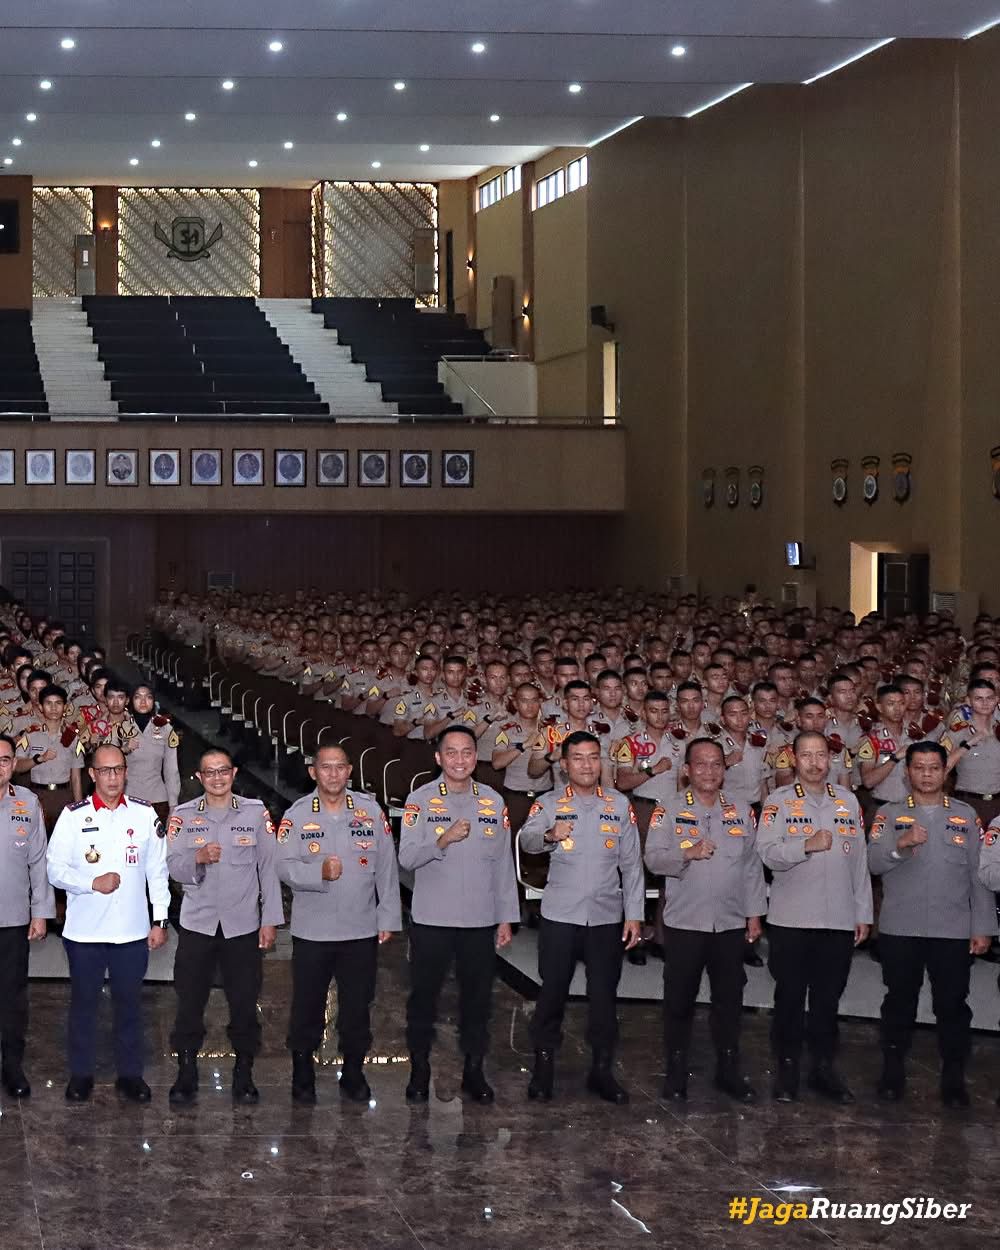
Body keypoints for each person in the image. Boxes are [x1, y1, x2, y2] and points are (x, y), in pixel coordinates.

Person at [518, 731, 644, 1104]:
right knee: (552, 993)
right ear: (564, 764)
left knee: (604, 997)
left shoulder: (619, 804)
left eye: (593, 757)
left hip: (606, 917)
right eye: (578, 758)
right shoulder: (548, 803)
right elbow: (526, 840)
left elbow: (632, 865)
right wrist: (549, 835)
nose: (587, 765)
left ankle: (602, 1070)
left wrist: (634, 915)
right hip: (561, 915)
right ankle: (543, 1067)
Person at [870, 742, 996, 1107]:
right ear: (907, 772)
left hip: (952, 930)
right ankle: (891, 1075)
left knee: (953, 1007)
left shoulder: (966, 814)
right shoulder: (889, 814)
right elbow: (874, 863)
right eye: (919, 768)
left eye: (934, 768)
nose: (926, 774)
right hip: (901, 929)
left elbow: (979, 875)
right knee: (898, 1004)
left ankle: (954, 1080)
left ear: (945, 772)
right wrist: (900, 844)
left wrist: (983, 926)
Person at [276, 743, 401, 1105]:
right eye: (325, 767)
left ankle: (354, 1071)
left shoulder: (370, 811)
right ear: (313, 772)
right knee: (307, 1005)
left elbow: (386, 868)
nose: (333, 774)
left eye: (340, 767)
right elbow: (282, 866)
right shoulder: (297, 814)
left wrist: (388, 916)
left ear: (350, 771)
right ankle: (302, 1069)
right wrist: (318, 872)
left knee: (358, 1005)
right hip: (313, 930)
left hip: (359, 928)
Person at [398, 726, 517, 1104]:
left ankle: (474, 1070)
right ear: (438, 758)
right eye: (452, 753)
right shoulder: (419, 801)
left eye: (467, 752)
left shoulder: (494, 802)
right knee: (424, 997)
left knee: (478, 999)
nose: (460, 760)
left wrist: (506, 917)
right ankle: (419, 1069)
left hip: (479, 919)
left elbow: (502, 865)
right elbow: (406, 858)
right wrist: (441, 840)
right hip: (433, 917)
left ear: (475, 758)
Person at [46, 744, 170, 1103]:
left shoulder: (144, 815)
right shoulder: (73, 816)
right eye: (105, 770)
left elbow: (157, 872)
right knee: (84, 1004)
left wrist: (160, 919)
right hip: (85, 932)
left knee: (129, 1004)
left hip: (131, 931)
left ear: (126, 771)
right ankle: (81, 1074)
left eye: (118, 769)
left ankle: (130, 1074)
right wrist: (90, 883)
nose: (113, 777)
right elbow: (55, 869)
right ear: (92, 774)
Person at [645, 737, 766, 1102]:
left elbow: (751, 867)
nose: (709, 771)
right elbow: (653, 859)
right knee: (678, 1001)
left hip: (729, 924)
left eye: (716, 764)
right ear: (686, 770)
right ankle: (676, 1070)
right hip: (685, 922)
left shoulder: (743, 810)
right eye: (701, 764)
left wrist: (755, 913)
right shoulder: (666, 809)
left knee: (729, 1001)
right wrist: (687, 853)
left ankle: (728, 1070)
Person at [757, 731, 872, 1104]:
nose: (814, 762)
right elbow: (768, 854)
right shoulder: (778, 802)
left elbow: (860, 863)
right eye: (806, 755)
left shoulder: (848, 800)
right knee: (789, 998)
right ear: (793, 759)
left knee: (827, 1001)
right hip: (792, 920)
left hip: (838, 918)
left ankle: (824, 1068)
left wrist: (862, 912)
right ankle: (786, 1071)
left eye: (820, 755)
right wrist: (804, 845)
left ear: (830, 759)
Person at [165, 748, 282, 1106]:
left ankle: (244, 1073)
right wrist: (196, 859)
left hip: (242, 926)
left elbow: (269, 869)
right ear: (199, 778)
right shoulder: (183, 817)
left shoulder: (255, 813)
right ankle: (186, 1072)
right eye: (209, 772)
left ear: (233, 773)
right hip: (197, 926)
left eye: (223, 771)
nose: (217, 778)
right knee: (189, 1003)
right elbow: (171, 866)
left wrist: (270, 920)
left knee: (245, 1004)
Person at [0, 735, 55, 1096]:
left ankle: (12, 1065)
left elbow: (39, 861)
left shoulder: (28, 803)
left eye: (5, 759)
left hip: (12, 918)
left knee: (12, 996)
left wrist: (41, 912)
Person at [122, 684, 181, 821]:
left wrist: (173, 806)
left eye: (148, 697)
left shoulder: (165, 728)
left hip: (158, 799)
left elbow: (171, 769)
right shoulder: (121, 727)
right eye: (138, 697)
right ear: (131, 700)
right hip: (128, 799)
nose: (143, 702)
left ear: (154, 702)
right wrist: (123, 748)